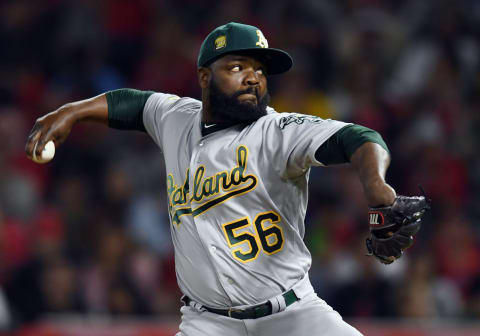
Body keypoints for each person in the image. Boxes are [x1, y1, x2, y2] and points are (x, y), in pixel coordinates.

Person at [25, 22, 424, 336]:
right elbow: (131, 103)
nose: (253, 78)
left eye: (260, 70)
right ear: (204, 76)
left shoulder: (278, 131)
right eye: (237, 67)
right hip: (208, 324)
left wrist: (377, 187)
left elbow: (360, 137)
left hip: (292, 316)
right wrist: (74, 111)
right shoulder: (177, 118)